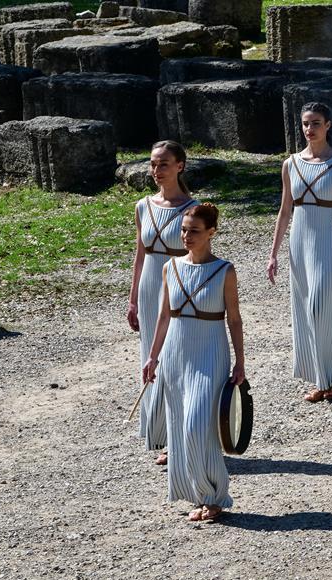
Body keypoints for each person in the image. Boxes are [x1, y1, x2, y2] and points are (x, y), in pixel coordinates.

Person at [143, 203, 245, 522]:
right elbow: (163, 317)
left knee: (198, 425)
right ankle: (201, 497)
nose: (186, 236)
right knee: (180, 426)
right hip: (176, 353)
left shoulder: (225, 271)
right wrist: (152, 356)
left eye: (194, 231)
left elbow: (235, 320)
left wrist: (240, 362)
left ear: (211, 232)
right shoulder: (170, 267)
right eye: (183, 230)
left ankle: (214, 494)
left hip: (210, 354)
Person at [267, 102, 332, 402]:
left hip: (331, 239)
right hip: (301, 238)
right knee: (306, 308)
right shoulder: (290, 164)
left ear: (328, 125)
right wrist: (274, 252)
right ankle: (324, 377)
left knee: (322, 305)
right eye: (305, 123)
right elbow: (285, 209)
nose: (310, 129)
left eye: (316, 123)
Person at [127, 141, 197, 466]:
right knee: (151, 361)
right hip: (149, 287)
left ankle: (179, 439)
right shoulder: (143, 206)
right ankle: (162, 435)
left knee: (172, 365)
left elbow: (198, 259)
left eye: (164, 164)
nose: (157, 171)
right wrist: (132, 300)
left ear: (180, 166)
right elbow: (140, 253)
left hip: (177, 288)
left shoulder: (192, 210)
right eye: (154, 164)